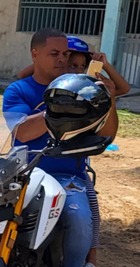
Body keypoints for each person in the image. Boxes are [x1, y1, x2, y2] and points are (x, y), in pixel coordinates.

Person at [0, 28, 119, 267]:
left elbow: (107, 135)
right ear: (35, 54)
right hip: (20, 173)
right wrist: (63, 107)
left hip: (67, 175)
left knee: (79, 218)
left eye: (65, 53)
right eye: (54, 53)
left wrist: (107, 99)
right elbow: (23, 131)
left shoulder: (84, 90)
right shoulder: (19, 90)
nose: (62, 59)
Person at [16, 35, 128, 267]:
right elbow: (24, 78)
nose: (70, 66)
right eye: (63, 58)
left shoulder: (90, 94)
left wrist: (103, 67)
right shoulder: (25, 88)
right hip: (27, 170)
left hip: (69, 172)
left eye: (79, 64)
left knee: (83, 217)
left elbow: (121, 92)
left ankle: (85, 262)